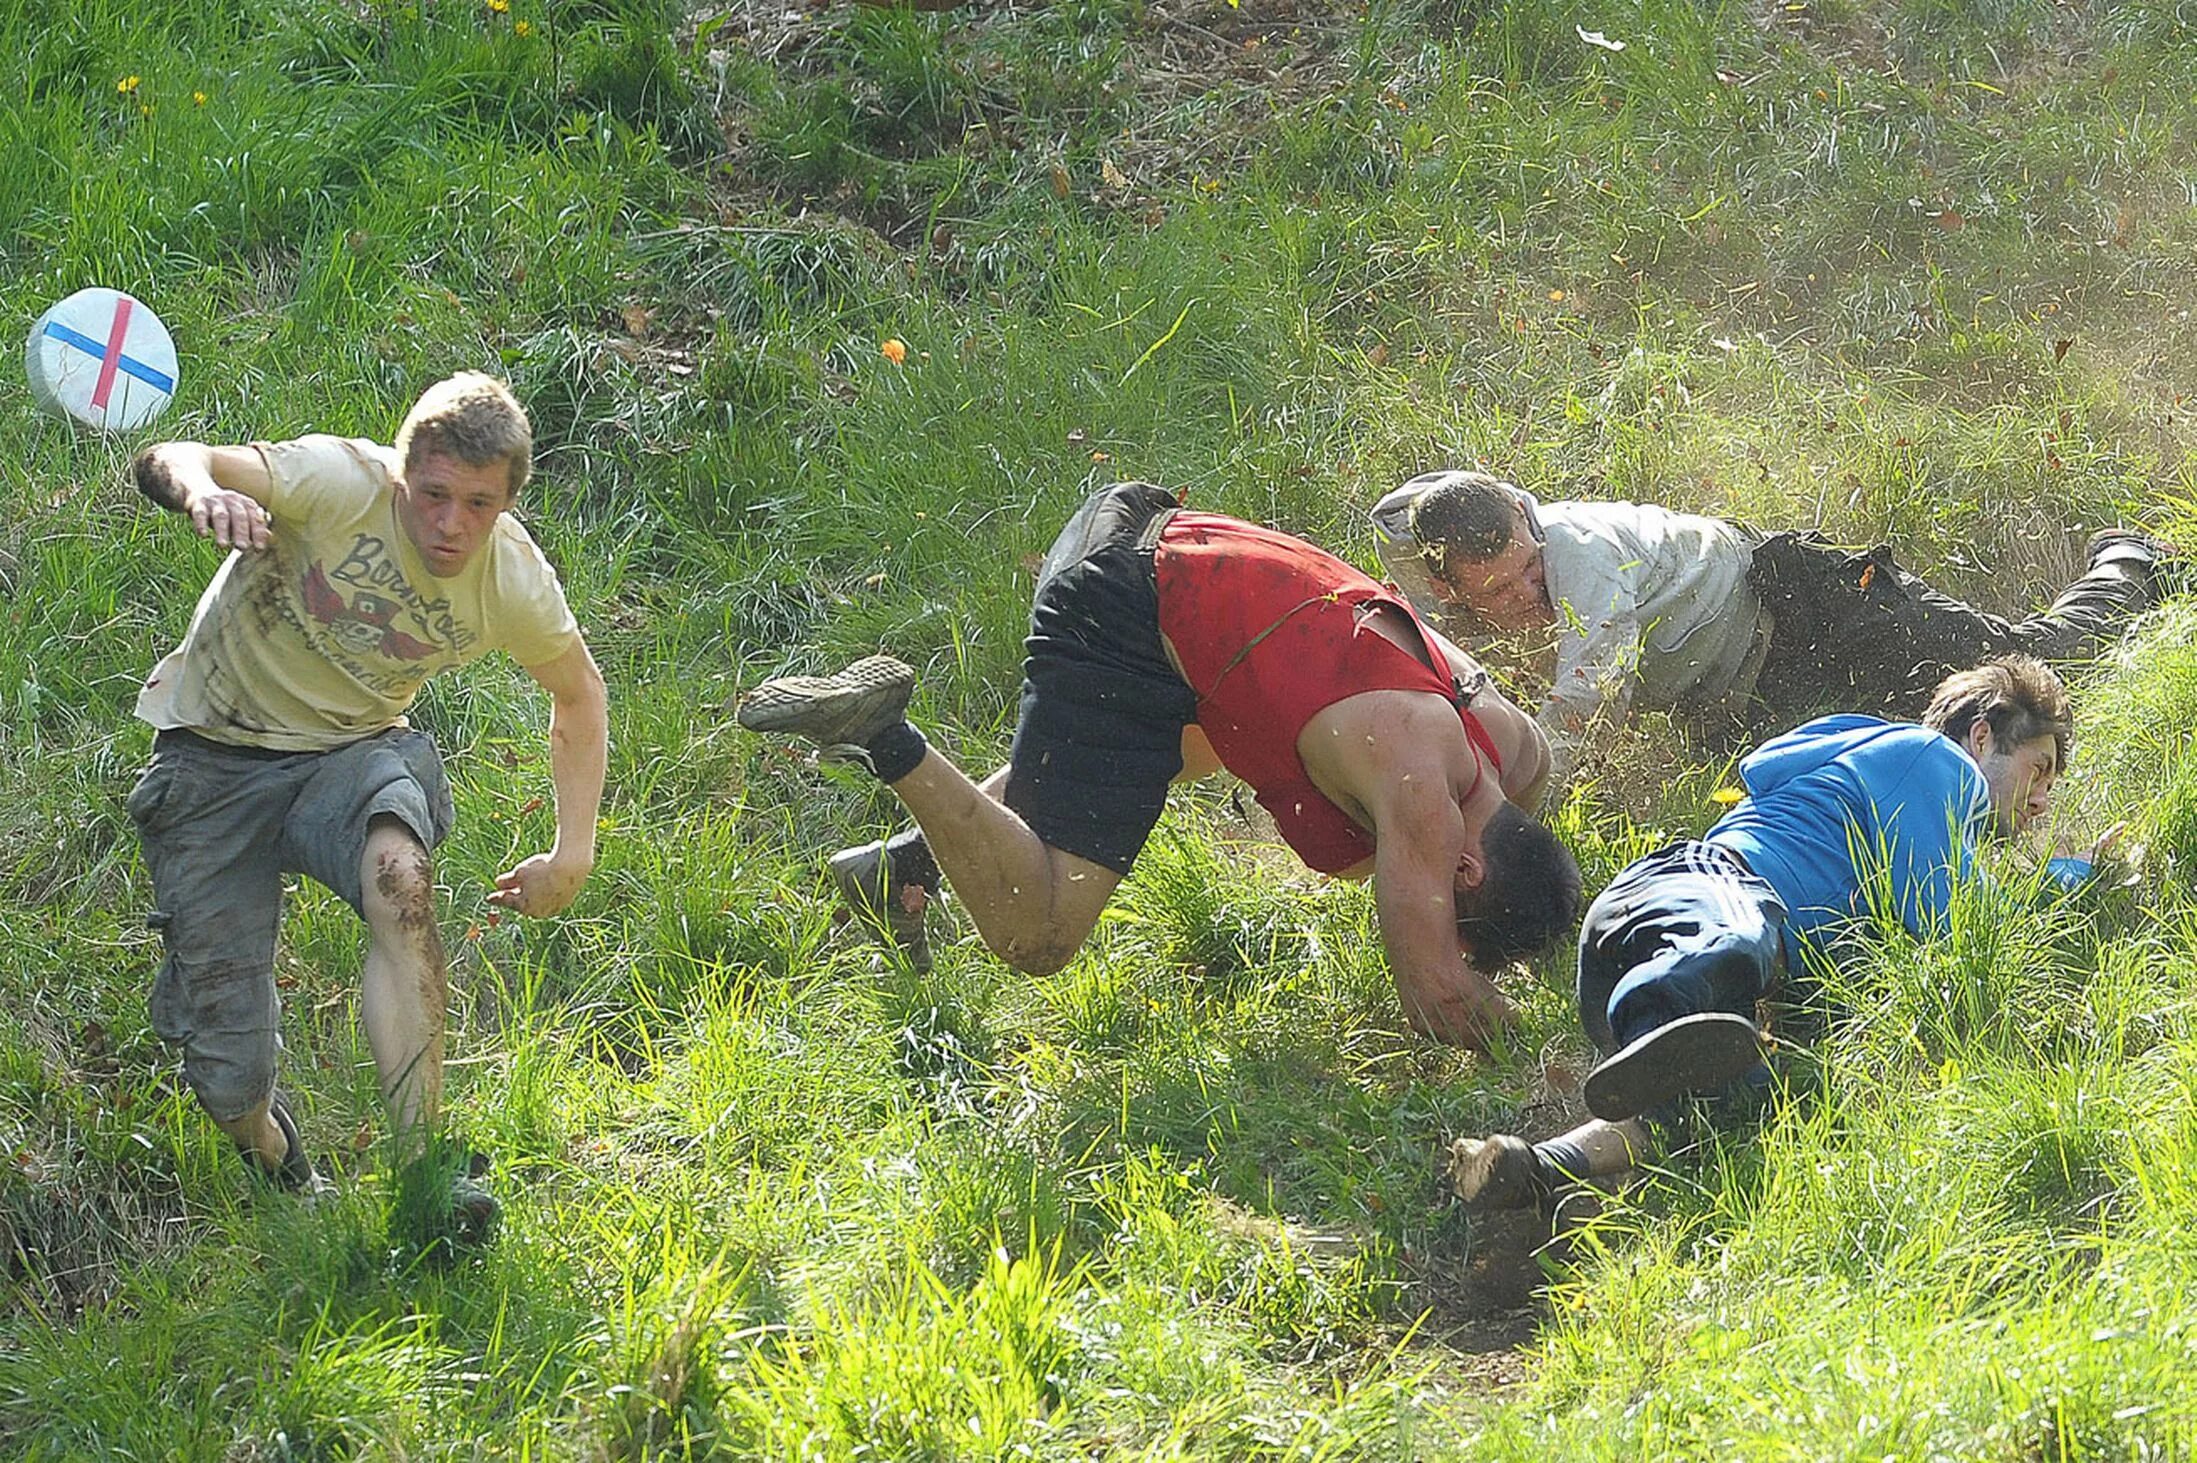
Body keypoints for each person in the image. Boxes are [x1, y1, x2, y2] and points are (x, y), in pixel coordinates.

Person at [736, 481, 1581, 1052]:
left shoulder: (1512, 749)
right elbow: (1433, 995)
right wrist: (1548, 1053)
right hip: (1120, 609)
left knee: (1223, 749)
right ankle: (886, 735)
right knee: (1037, 933)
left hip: (1172, 542)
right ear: (1464, 864)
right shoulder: (1419, 798)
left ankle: (902, 868)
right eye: (1448, 893)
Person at [127, 372, 608, 1231]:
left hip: (353, 752)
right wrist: (205, 494)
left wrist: (572, 851)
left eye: (477, 503)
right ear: (400, 475)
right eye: (432, 495)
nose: (449, 523)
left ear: (504, 503)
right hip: (211, 757)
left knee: (400, 875)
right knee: (229, 1085)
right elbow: (171, 455)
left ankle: (427, 1176)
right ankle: (281, 1165)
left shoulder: (510, 581)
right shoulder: (337, 479)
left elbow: (578, 693)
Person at [1445, 655, 2099, 1213]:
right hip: (1702, 892)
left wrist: (2066, 878)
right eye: (2037, 770)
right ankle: (1655, 1028)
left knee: (1725, 1103)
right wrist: (2082, 881)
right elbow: (1958, 916)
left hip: (1648, 955)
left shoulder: (1910, 821)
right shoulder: (1929, 760)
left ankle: (1526, 1166)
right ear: (1981, 738)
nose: (2040, 799)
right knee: (1742, 938)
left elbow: (1967, 894)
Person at [1371, 470, 2168, 781]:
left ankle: (2132, 561)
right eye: (1499, 591)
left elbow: (1584, 706)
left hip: (1808, 607)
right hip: (1752, 699)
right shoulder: (1442, 591)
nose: (1524, 593)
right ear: (1450, 585)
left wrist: (1498, 805)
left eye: (1527, 568)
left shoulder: (1578, 551)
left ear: (1526, 520)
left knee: (2033, 672)